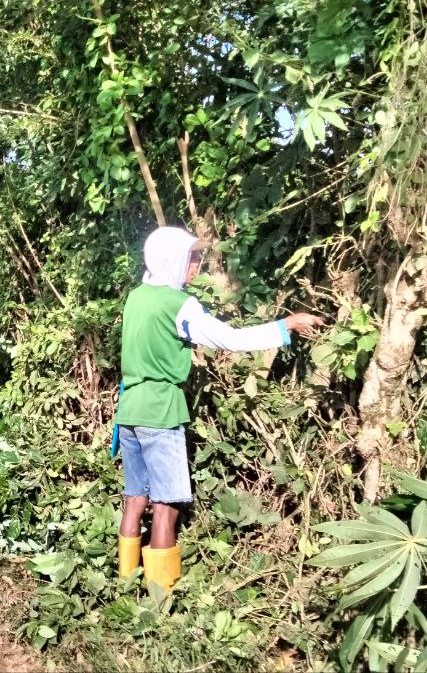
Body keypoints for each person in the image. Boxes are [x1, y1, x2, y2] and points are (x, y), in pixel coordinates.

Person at [116, 227, 324, 593]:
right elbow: (230, 339)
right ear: (171, 259)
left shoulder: (136, 297)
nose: (195, 264)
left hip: (130, 409)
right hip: (161, 409)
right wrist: (285, 325)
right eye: (191, 257)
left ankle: (123, 583)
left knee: (135, 498)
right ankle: (159, 600)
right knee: (166, 506)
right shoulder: (178, 304)